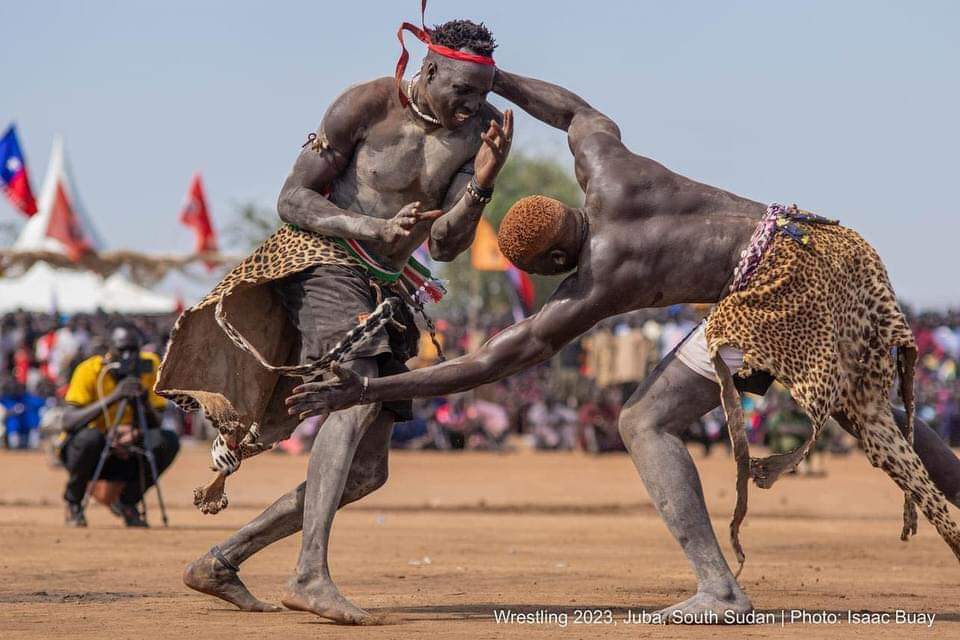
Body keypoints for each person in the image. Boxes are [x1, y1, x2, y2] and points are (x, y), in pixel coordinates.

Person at [288, 68, 960, 620]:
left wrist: (371, 387)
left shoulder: (599, 280)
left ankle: (720, 592)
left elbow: (490, 361)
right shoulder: (606, 167)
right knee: (867, 411)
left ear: (551, 264)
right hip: (822, 251)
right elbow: (575, 110)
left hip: (773, 295)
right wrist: (497, 80)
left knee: (644, 420)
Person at [161, 15, 513, 623]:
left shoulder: (478, 131)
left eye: (482, 95)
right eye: (462, 90)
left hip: (386, 285)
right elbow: (291, 199)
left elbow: (450, 245)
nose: (472, 105)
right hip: (323, 257)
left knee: (368, 472)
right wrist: (366, 226)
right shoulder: (364, 105)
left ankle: (222, 560)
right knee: (352, 400)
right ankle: (308, 574)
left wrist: (483, 182)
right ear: (428, 70)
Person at [60, 323, 179, 527]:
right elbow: (68, 421)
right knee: (90, 439)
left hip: (128, 449)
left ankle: (127, 502)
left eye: (133, 349)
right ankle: (73, 503)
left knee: (166, 440)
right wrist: (115, 397)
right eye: (122, 349)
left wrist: (142, 402)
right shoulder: (91, 370)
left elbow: (156, 423)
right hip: (92, 451)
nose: (129, 356)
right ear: (110, 350)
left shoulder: (149, 366)